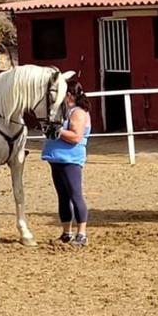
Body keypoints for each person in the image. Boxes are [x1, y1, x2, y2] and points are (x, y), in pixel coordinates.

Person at [41, 79, 92, 246]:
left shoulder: (78, 113)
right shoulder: (66, 111)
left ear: (69, 95)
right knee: (63, 196)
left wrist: (58, 130)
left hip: (70, 159)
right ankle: (66, 232)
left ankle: (82, 233)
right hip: (57, 158)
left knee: (75, 195)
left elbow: (76, 137)